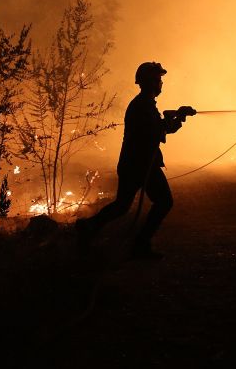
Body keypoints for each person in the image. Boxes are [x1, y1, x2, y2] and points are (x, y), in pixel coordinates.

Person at [76, 61, 194, 259]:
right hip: (140, 164)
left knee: (122, 206)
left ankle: (88, 227)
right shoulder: (141, 106)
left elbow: (161, 129)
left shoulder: (146, 104)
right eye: (157, 80)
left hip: (136, 164)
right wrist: (173, 117)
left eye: (160, 80)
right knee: (163, 202)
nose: (160, 84)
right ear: (147, 82)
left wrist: (178, 118)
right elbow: (155, 131)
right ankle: (139, 245)